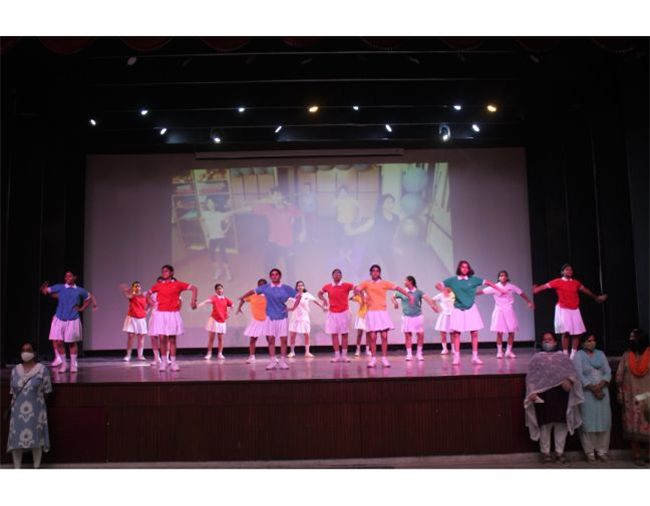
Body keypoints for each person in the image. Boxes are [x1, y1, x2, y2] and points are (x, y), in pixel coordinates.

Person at [525, 333, 584, 466]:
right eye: (545, 340)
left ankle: (559, 453)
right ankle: (546, 454)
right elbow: (531, 377)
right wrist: (532, 392)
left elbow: (572, 373)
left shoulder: (562, 357)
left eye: (550, 339)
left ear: (556, 342)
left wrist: (569, 381)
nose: (547, 342)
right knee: (545, 426)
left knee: (561, 425)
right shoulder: (536, 358)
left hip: (560, 396)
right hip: (543, 396)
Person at [436, 261, 505, 366]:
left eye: (467, 267)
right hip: (458, 308)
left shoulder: (473, 279)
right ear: (459, 268)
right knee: (457, 333)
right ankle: (457, 357)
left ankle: (475, 357)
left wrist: (500, 289)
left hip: (471, 308)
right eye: (463, 267)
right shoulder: (453, 280)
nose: (465, 269)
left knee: (474, 333)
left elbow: (488, 283)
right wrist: (444, 290)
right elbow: (438, 285)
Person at [533, 264, 608, 359]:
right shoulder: (557, 281)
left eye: (571, 270)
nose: (569, 271)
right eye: (567, 270)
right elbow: (545, 286)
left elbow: (585, 290)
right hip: (563, 309)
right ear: (562, 272)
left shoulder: (576, 283)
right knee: (566, 332)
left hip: (574, 309)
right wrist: (536, 290)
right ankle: (565, 353)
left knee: (577, 333)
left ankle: (574, 353)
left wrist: (596, 297)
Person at [239, 268, 302, 371]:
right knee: (271, 339)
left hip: (282, 316)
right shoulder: (266, 287)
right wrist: (243, 297)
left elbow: (298, 296)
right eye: (272, 274)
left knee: (283, 340)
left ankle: (282, 361)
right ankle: (272, 361)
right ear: (270, 277)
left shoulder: (286, 288)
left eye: (276, 274)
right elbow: (253, 291)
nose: (274, 276)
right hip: (270, 317)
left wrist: (293, 308)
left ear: (280, 276)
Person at [355, 264, 414, 368]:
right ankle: (373, 359)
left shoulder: (384, 283)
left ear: (379, 273)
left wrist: (409, 295)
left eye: (377, 271)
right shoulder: (366, 283)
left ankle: (384, 359)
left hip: (382, 312)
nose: (375, 273)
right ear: (370, 273)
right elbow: (357, 289)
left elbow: (397, 288)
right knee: (373, 337)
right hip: (371, 312)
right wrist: (363, 298)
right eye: (373, 271)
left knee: (384, 336)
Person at [40, 271, 98, 373]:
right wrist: (44, 289)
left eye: (70, 276)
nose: (67, 278)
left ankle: (73, 365)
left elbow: (88, 298)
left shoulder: (79, 290)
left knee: (71, 343)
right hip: (59, 317)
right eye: (66, 276)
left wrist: (82, 308)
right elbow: (46, 290)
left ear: (74, 277)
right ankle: (64, 364)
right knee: (58, 342)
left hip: (72, 319)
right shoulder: (60, 287)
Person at [7, 343, 52, 469]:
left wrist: (36, 402)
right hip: (17, 411)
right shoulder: (15, 370)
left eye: (28, 350)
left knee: (36, 439)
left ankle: (36, 468)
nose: (25, 352)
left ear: (34, 353)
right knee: (16, 439)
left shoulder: (42, 369)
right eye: (23, 350)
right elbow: (12, 391)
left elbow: (47, 391)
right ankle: (17, 468)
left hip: (36, 410)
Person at [148, 265, 198, 373]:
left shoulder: (178, 284)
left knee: (172, 339)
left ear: (172, 273)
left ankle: (173, 363)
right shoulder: (158, 285)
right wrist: (152, 303)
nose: (164, 273)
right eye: (162, 271)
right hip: (160, 314)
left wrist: (193, 301)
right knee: (162, 338)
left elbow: (194, 288)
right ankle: (164, 362)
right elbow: (148, 294)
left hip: (172, 313)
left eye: (166, 271)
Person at [573, 334, 612, 463]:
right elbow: (578, 374)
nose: (592, 342)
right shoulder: (578, 356)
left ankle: (602, 451)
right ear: (583, 343)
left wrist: (600, 386)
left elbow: (607, 372)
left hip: (602, 392)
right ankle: (589, 452)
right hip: (587, 393)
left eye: (594, 340)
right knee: (588, 423)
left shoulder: (601, 354)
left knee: (604, 421)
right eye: (589, 341)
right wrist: (592, 387)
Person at [478, 270, 535, 359]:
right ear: (498, 278)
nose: (503, 277)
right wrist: (467, 295)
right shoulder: (495, 287)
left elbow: (521, 293)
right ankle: (499, 352)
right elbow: (482, 292)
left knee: (511, 332)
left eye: (504, 275)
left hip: (509, 310)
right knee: (499, 332)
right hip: (499, 310)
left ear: (507, 277)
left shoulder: (511, 287)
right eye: (501, 276)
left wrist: (529, 301)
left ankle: (508, 351)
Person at [253, 187, 305, 282]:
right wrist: (267, 200)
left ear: (283, 196)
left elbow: (301, 215)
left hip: (287, 242)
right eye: (273, 196)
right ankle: (270, 285)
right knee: (268, 265)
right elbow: (253, 206)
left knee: (290, 266)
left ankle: (291, 285)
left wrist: (304, 231)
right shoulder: (268, 208)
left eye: (278, 195)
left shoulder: (290, 207)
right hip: (273, 242)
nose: (276, 197)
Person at [616, 329, 650, 466]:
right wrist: (620, 391)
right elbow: (619, 376)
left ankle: (649, 455)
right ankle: (636, 455)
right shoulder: (626, 356)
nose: (630, 340)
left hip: (647, 397)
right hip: (630, 398)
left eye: (633, 337)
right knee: (633, 426)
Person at [391, 276, 436, 362]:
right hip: (406, 316)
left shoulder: (418, 292)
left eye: (405, 280)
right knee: (408, 335)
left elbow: (428, 299)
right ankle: (409, 354)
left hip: (417, 316)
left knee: (420, 334)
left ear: (410, 281)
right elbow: (393, 296)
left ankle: (419, 353)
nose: (404, 282)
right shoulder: (402, 292)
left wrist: (433, 306)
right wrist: (395, 302)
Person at [318, 269, 356, 363]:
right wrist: (324, 300)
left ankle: (344, 356)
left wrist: (355, 295)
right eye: (335, 274)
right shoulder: (328, 286)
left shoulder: (346, 285)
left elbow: (357, 288)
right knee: (334, 335)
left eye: (339, 274)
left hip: (344, 313)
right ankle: (337, 356)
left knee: (344, 334)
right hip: (332, 313)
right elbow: (319, 293)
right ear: (332, 276)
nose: (337, 275)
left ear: (341, 276)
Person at [196, 284, 234, 361]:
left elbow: (232, 305)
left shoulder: (225, 299)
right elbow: (206, 301)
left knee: (221, 338)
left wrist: (228, 313)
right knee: (211, 338)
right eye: (218, 289)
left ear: (223, 289)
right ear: (216, 290)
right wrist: (197, 306)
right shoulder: (214, 298)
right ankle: (209, 353)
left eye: (221, 288)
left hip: (222, 320)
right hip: (214, 319)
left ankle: (220, 354)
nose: (219, 290)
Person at [288, 281, 325, 359]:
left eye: (301, 285)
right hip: (295, 317)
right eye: (298, 285)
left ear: (304, 287)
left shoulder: (307, 294)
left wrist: (322, 307)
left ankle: (307, 352)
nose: (300, 287)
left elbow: (315, 300)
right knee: (293, 335)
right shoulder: (294, 295)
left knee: (307, 334)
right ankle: (292, 352)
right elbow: (284, 298)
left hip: (304, 317)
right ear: (296, 287)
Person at [236, 279, 268, 365]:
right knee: (253, 339)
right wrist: (239, 308)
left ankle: (273, 357)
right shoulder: (252, 295)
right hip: (256, 320)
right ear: (257, 286)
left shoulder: (269, 295)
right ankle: (252, 357)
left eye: (263, 285)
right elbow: (243, 299)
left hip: (267, 320)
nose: (261, 286)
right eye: (260, 285)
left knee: (270, 339)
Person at [120, 281, 149, 362]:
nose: (137, 287)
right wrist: (126, 290)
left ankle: (140, 355)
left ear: (140, 287)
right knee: (131, 336)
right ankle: (128, 355)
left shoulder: (144, 295)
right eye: (135, 286)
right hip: (132, 317)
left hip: (141, 318)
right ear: (133, 288)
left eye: (138, 286)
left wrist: (146, 312)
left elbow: (150, 303)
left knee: (141, 337)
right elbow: (128, 296)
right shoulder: (132, 295)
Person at [432, 287, 455, 355]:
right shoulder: (440, 295)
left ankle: (453, 349)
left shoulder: (453, 294)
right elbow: (432, 300)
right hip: (444, 315)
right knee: (443, 333)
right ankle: (444, 349)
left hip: (452, 315)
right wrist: (435, 307)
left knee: (453, 333)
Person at [351, 293, 370, 358]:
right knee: (359, 333)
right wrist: (355, 294)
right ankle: (358, 350)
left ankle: (367, 350)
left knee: (368, 334)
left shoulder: (370, 296)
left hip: (368, 316)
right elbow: (351, 298)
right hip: (361, 316)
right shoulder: (359, 296)